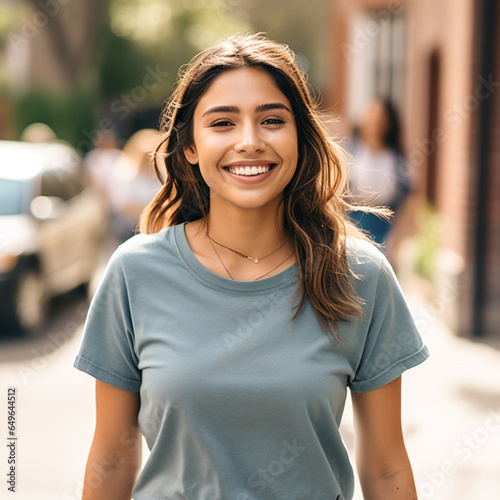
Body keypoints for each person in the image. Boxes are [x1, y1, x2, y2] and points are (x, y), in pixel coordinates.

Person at [74, 34, 429, 500]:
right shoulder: (135, 273)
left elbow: (386, 468)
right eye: (222, 122)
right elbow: (112, 459)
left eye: (272, 120)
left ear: (300, 138)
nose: (249, 141)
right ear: (189, 148)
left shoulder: (362, 275)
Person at [348, 99, 411, 249]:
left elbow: (410, 198)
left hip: (384, 226)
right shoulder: (350, 153)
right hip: (353, 221)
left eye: (380, 119)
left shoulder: (396, 159)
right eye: (371, 117)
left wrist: (398, 237)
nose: (375, 123)